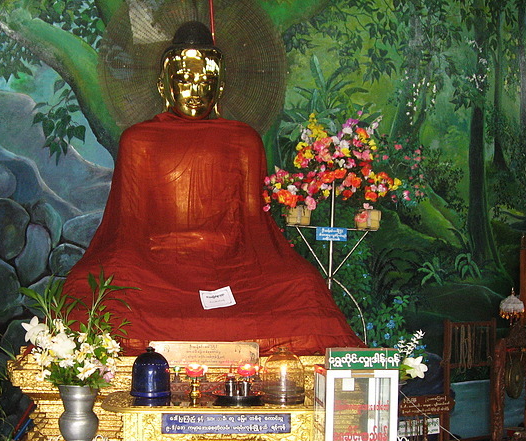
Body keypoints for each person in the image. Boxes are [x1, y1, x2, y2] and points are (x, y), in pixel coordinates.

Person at [61, 21, 362, 356]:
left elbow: (254, 226)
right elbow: (128, 229)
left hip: (232, 262)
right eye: (184, 79)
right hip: (153, 262)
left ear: (221, 88)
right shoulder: (139, 141)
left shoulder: (243, 140)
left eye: (207, 81)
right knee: (83, 288)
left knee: (302, 285)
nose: (196, 90)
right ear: (163, 86)